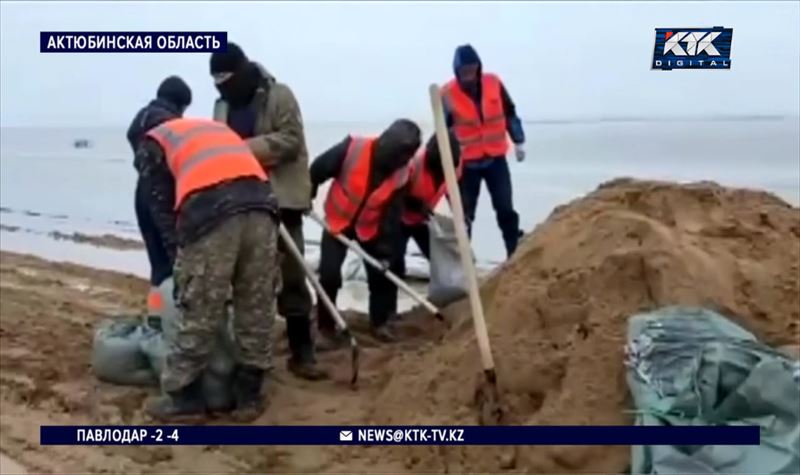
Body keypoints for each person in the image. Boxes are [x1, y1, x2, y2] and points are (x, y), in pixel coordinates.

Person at [135, 117, 280, 422]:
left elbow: (162, 208)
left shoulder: (151, 145)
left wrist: (180, 262)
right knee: (256, 304)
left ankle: (183, 397)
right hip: (263, 206)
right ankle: (249, 396)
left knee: (199, 306)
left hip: (213, 211)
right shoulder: (213, 130)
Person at [209, 43, 326, 381]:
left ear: (243, 71)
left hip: (281, 201)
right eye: (216, 82)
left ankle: (302, 353)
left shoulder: (279, 96)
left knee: (292, 276)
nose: (222, 87)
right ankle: (246, 354)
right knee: (244, 280)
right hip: (239, 203)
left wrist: (245, 150)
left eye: (226, 79)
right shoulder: (221, 107)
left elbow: (291, 140)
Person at [310, 119, 421, 344]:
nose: (398, 162)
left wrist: (386, 252)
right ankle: (325, 326)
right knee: (329, 274)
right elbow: (318, 169)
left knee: (382, 274)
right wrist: (307, 192)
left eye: (404, 158)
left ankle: (381, 322)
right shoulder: (352, 149)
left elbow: (392, 214)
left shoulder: (402, 174)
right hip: (337, 221)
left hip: (370, 228)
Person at [442, 44, 526, 258]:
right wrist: (447, 164)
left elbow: (509, 112)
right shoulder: (447, 94)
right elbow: (443, 133)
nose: (469, 75)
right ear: (457, 72)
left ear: (479, 67)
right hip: (467, 163)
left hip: (495, 158)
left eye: (472, 69)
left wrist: (518, 140)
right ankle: (463, 262)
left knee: (505, 208)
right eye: (464, 72)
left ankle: (513, 252)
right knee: (464, 216)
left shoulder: (493, 83)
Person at [126, 76, 192, 313]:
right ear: (180, 104)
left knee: (156, 264)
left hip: (141, 193)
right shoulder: (171, 123)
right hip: (164, 195)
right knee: (176, 263)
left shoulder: (141, 117)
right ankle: (173, 316)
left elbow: (134, 142)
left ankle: (154, 314)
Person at [392, 131, 462, 283]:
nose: (441, 174)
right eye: (438, 170)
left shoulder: (454, 167)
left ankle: (447, 297)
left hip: (422, 221)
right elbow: (393, 194)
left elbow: (453, 192)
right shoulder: (413, 163)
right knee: (395, 264)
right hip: (398, 219)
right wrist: (416, 205)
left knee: (443, 258)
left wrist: (461, 214)